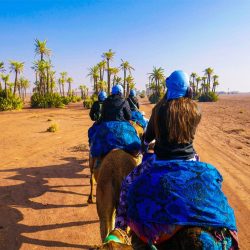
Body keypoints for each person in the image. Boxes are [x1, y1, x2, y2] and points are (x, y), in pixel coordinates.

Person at [107, 70, 238, 249]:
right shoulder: (195, 109)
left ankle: (120, 228)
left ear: (168, 87)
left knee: (128, 184)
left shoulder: (159, 109)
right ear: (188, 88)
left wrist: (145, 145)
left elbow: (148, 137)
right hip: (191, 160)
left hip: (161, 161)